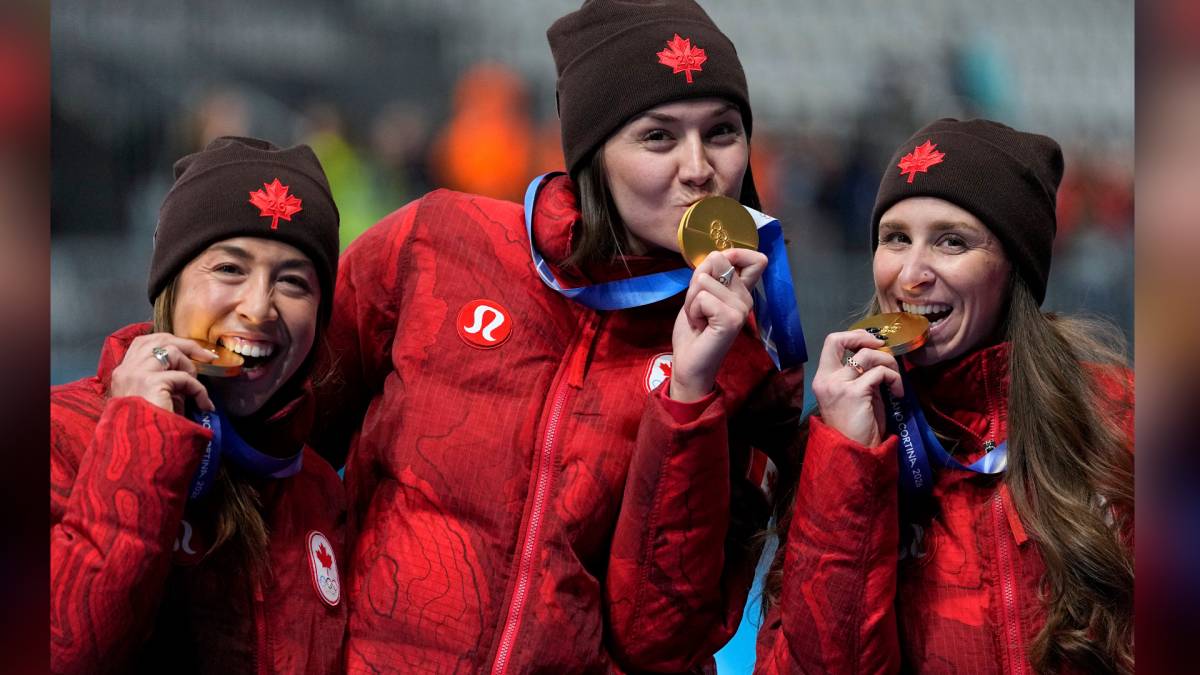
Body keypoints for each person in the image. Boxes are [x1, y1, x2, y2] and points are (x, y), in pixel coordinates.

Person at [311, 1, 806, 671]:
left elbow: (662, 639)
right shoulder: (437, 244)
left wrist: (689, 396)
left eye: (721, 132)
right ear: (593, 152)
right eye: (658, 137)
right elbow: (286, 438)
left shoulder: (746, 350)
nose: (700, 168)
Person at [755, 119, 1134, 674]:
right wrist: (848, 463)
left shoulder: (1119, 418)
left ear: (1014, 267)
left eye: (951, 241)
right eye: (895, 238)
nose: (910, 275)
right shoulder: (836, 443)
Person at [50, 137, 348, 673]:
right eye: (229, 269)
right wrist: (140, 441)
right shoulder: (55, 435)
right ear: (171, 285)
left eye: (294, 282)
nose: (259, 308)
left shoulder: (319, 489)